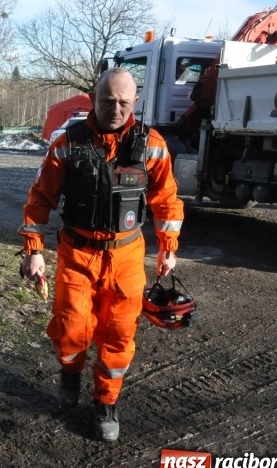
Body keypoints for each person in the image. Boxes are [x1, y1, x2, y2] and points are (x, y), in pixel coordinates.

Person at [18, 67, 184, 442]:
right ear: (93, 99)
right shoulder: (67, 143)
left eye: (124, 102)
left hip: (126, 255)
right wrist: (33, 249)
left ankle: (106, 404)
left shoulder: (153, 144)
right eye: (108, 100)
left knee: (120, 335)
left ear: (135, 101)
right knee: (72, 327)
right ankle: (70, 374)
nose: (116, 108)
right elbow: (40, 198)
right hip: (77, 253)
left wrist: (168, 248)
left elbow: (167, 200)